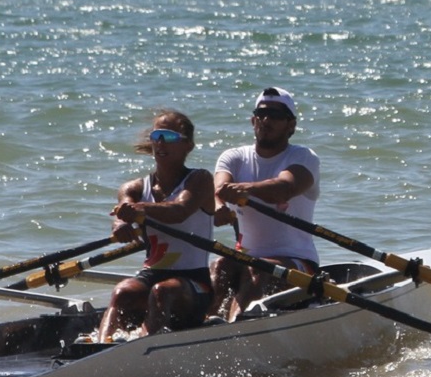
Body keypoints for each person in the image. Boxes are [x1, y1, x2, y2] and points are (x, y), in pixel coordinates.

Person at [96, 110, 216, 342]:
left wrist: (139, 210)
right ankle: (101, 346)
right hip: (151, 274)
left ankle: (145, 347)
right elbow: (123, 212)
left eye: (169, 137)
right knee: (123, 293)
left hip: (195, 283)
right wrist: (120, 225)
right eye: (157, 136)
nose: (160, 143)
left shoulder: (200, 180)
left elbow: (179, 211)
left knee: (163, 291)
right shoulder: (134, 188)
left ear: (187, 146)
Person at [211, 87, 321, 321]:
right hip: (246, 258)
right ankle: (199, 326)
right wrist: (218, 205)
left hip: (299, 262)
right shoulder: (234, 157)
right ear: (253, 121)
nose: (266, 120)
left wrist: (245, 190)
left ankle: (234, 330)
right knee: (220, 265)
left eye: (276, 115)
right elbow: (218, 189)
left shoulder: (304, 158)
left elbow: (285, 188)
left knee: (258, 270)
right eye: (261, 114)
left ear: (291, 125)